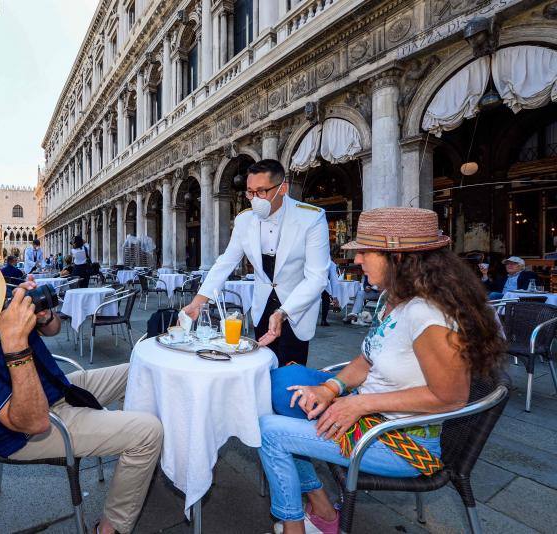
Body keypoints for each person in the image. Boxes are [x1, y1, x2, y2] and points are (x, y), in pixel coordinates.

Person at [259, 207, 506, 534]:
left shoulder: (428, 314)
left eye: (364, 251)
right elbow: (367, 358)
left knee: (268, 431)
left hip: (399, 443)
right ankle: (321, 507)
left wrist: (359, 404)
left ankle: (297, 526)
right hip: (372, 418)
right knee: (281, 387)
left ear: (398, 257)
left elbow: (451, 397)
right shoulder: (394, 298)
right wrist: (331, 388)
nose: (357, 259)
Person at [0, 253, 163, 534]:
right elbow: (33, 422)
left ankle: (136, 468)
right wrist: (15, 344)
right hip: (28, 431)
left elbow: (54, 329)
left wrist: (45, 317)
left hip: (58, 386)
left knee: (141, 370)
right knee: (148, 433)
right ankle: (110, 527)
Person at [181, 159, 330, 366]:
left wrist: (283, 312)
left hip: (297, 309)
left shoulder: (311, 218)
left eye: (261, 191)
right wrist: (199, 301)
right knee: (261, 369)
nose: (254, 199)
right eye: (250, 192)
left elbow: (317, 277)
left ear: (282, 189)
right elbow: (226, 262)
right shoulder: (244, 220)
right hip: (262, 307)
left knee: (290, 375)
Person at [320, 260, 339, 327]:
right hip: (323, 283)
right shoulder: (330, 263)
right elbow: (334, 280)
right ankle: (323, 320)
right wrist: (335, 296)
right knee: (325, 300)